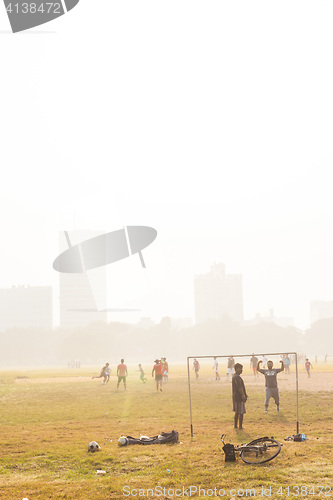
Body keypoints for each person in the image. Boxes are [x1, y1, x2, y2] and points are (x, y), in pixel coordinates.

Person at [232, 363, 247, 430]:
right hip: (239, 397)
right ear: (236, 369)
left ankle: (235, 425)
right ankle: (240, 426)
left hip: (235, 396)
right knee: (241, 412)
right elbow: (239, 387)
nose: (241, 370)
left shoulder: (235, 376)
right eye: (240, 368)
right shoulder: (237, 377)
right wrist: (243, 395)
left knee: (237, 412)